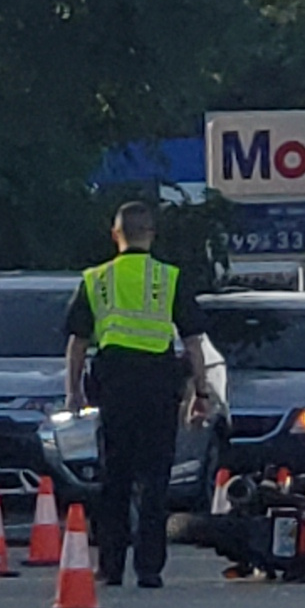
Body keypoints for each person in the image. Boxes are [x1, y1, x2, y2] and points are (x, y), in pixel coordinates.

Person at [64, 201, 210, 588]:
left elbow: (78, 343)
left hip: (115, 386)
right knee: (155, 480)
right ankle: (149, 569)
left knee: (115, 478)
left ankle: (110, 566)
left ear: (116, 234)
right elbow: (194, 342)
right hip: (160, 387)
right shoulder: (170, 277)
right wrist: (202, 392)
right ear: (152, 235)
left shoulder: (96, 279)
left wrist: (73, 392)